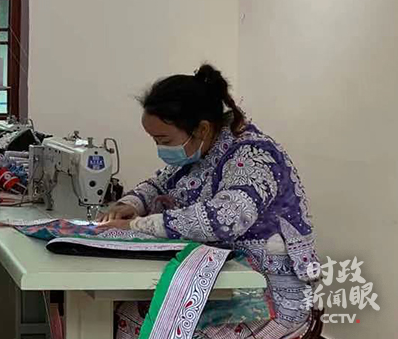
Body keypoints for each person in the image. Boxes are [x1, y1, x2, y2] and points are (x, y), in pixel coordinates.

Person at [99, 64, 321, 339]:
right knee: (125, 311)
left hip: (269, 294)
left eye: (163, 139)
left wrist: (137, 226)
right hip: (222, 277)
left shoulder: (253, 156)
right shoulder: (201, 152)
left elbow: (223, 220)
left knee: (160, 327)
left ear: (202, 128)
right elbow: (159, 183)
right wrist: (132, 204)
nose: (160, 148)